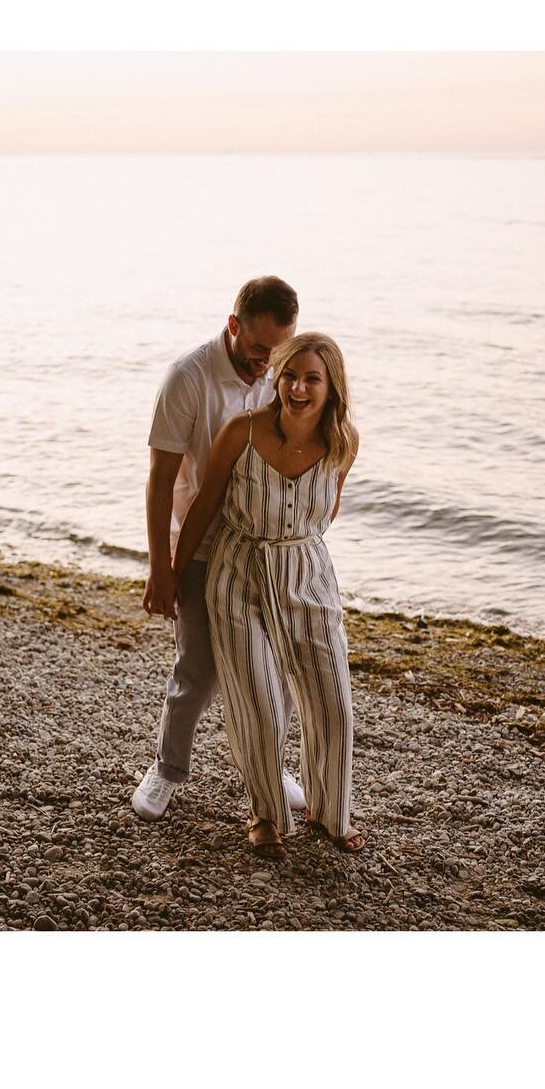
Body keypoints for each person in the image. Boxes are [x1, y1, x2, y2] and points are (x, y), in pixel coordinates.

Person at [171, 333, 363, 859]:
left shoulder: (344, 442)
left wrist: (296, 544)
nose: (298, 387)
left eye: (312, 378)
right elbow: (204, 505)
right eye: (290, 376)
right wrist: (172, 576)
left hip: (308, 575)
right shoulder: (242, 431)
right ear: (277, 379)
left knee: (333, 702)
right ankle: (266, 814)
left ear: (332, 387)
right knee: (260, 703)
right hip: (239, 573)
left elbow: (327, 512)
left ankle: (331, 812)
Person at [132, 276, 309, 821]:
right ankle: (165, 770)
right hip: (202, 545)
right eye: (258, 350)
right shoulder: (188, 377)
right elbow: (161, 478)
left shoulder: (281, 373)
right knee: (200, 669)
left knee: (269, 665)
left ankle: (269, 765)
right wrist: (160, 570)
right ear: (234, 327)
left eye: (277, 352)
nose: (267, 365)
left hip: (262, 548)